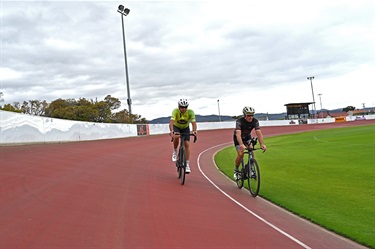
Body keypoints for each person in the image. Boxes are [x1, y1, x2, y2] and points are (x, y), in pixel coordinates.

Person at [233, 106, 267, 180]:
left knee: (251, 151)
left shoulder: (255, 121)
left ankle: (250, 168)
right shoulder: (239, 121)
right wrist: (241, 145)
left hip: (247, 137)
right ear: (245, 115)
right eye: (249, 115)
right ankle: (236, 170)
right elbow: (238, 134)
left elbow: (259, 133)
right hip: (238, 138)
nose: (251, 117)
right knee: (240, 154)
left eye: (252, 115)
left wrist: (262, 144)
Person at [169, 99, 197, 174]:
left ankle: (187, 164)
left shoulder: (190, 112)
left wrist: (194, 131)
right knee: (177, 136)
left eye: (185, 107)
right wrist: (172, 131)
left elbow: (193, 123)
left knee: (187, 144)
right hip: (177, 127)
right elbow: (171, 122)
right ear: (179, 107)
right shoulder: (175, 111)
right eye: (182, 107)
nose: (183, 109)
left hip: (185, 128)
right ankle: (175, 151)